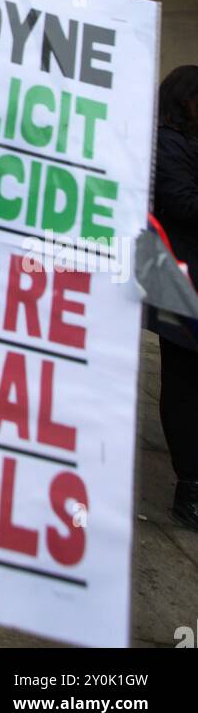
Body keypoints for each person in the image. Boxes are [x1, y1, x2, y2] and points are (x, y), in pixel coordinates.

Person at [152, 65, 198, 532]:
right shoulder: (168, 144)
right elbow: (181, 203)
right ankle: (190, 490)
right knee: (184, 385)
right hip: (179, 282)